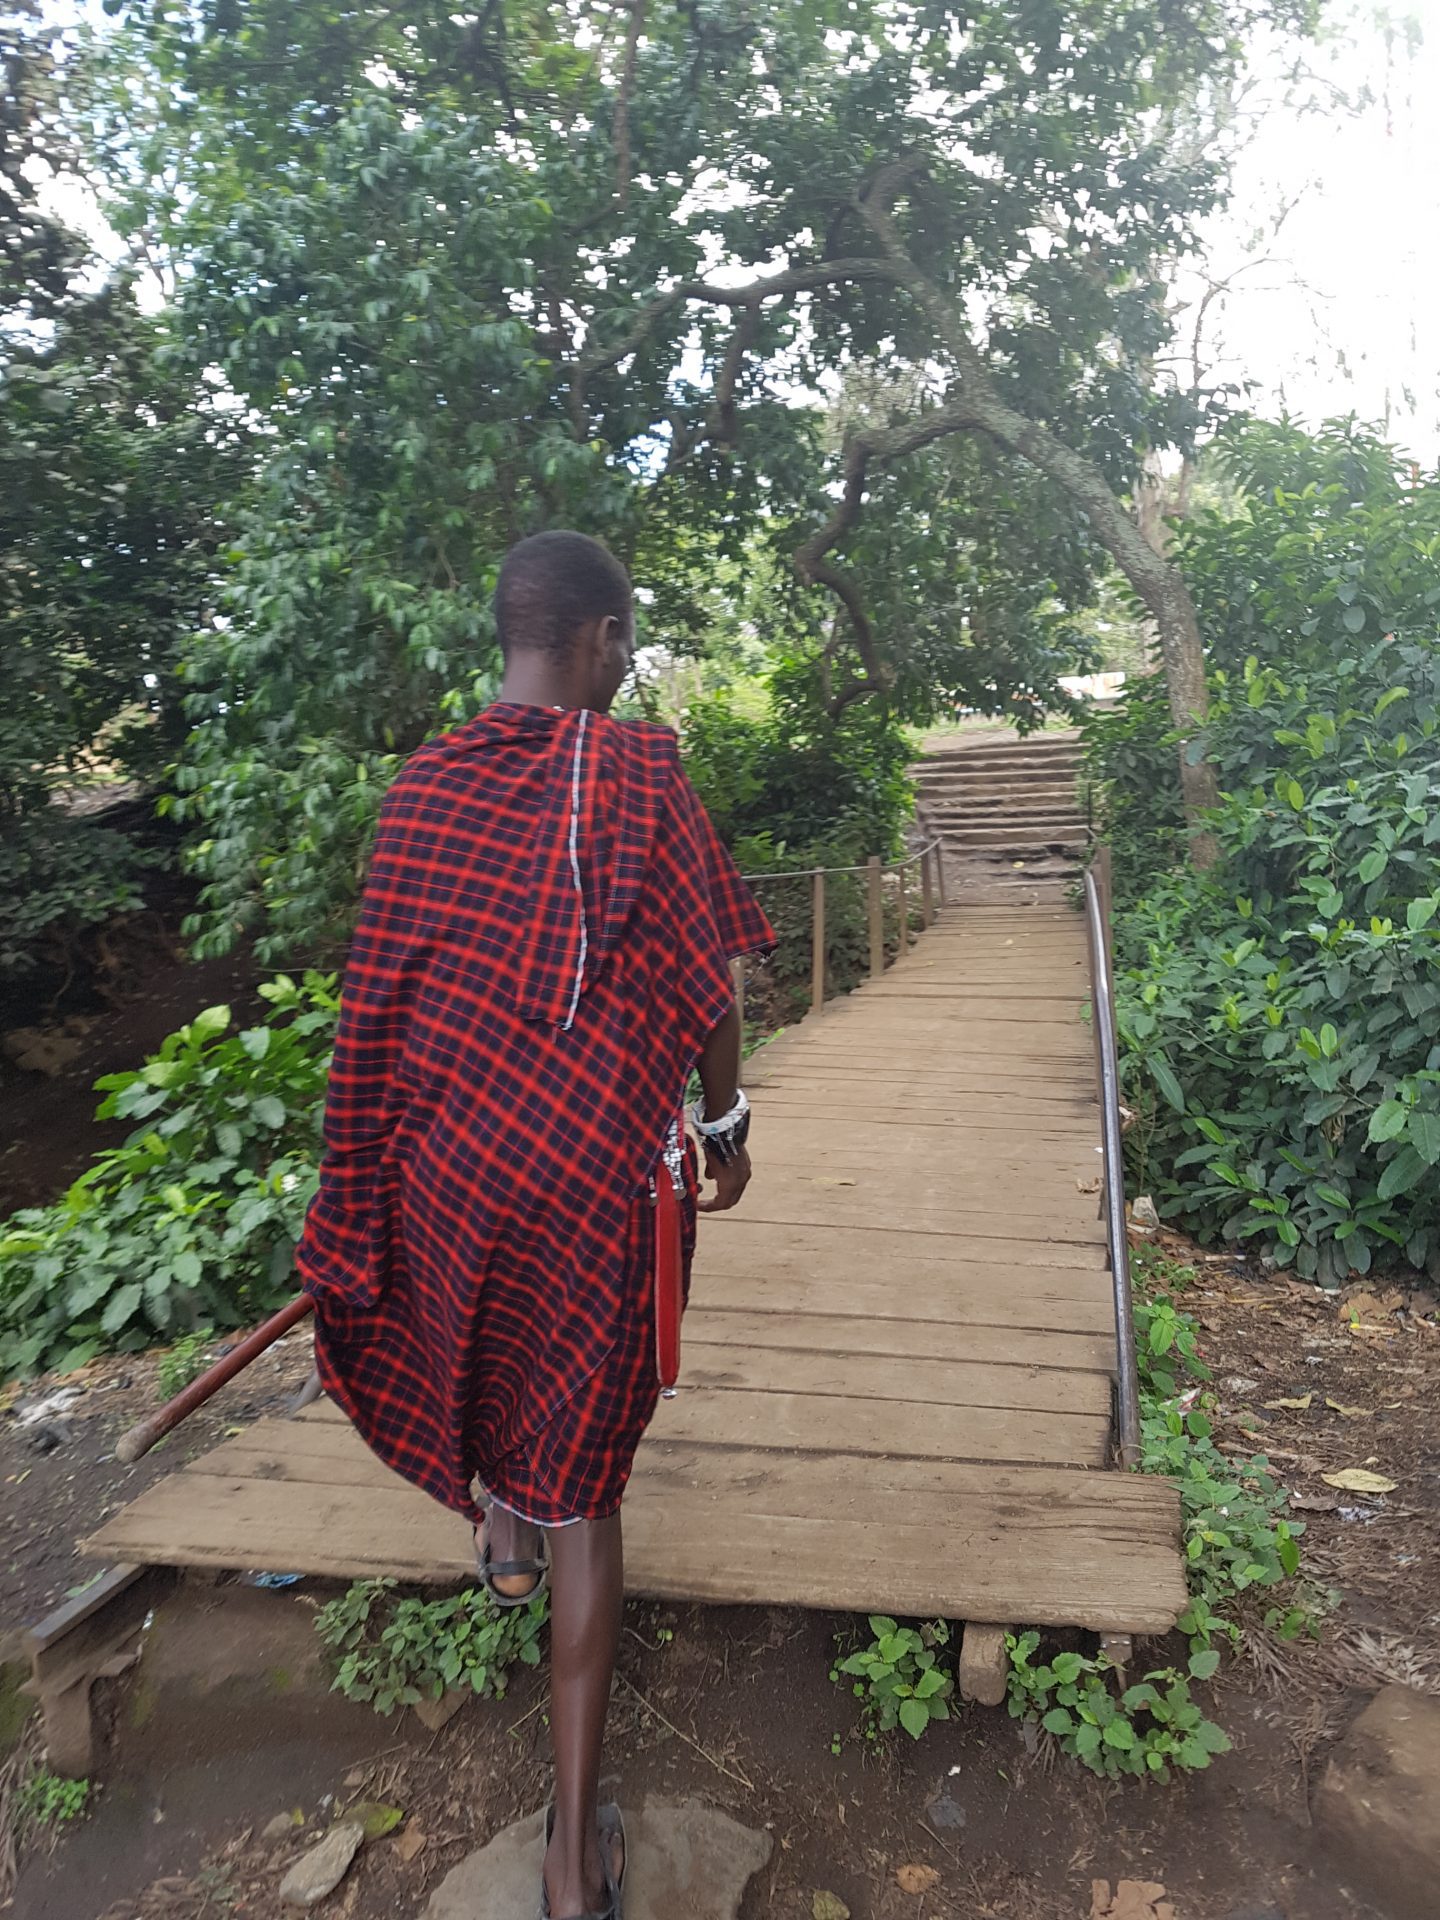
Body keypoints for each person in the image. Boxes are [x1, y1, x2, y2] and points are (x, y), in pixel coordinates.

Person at [296, 530, 774, 1920]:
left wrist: (364, 1180)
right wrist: (726, 1128)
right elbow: (709, 974)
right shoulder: (636, 772)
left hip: (447, 1179)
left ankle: (498, 1529)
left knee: (485, 1343)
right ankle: (572, 1862)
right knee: (591, 1498)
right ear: (604, 639)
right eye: (626, 646)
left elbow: (379, 1005)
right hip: (580, 1190)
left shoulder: (424, 789)